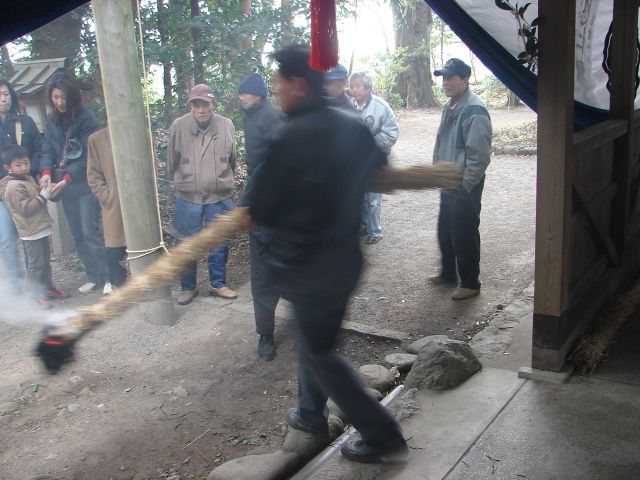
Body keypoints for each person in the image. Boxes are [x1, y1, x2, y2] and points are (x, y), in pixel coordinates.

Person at [245, 45, 408, 464]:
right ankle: (311, 416)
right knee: (316, 347)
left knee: (319, 354)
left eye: (280, 83)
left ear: (298, 85)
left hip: (308, 268)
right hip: (345, 260)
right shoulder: (350, 124)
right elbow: (378, 165)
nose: (277, 91)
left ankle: (382, 434)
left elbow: (260, 209)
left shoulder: (288, 135)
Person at [39, 72, 110, 295]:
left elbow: (88, 154)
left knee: (91, 231)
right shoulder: (52, 120)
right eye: (56, 97)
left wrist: (67, 178)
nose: (60, 103)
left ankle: (109, 276)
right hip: (63, 186)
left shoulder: (86, 118)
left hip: (84, 184)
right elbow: (48, 148)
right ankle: (92, 275)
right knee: (77, 233)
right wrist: (46, 172)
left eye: (64, 98)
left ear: (72, 97)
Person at [168, 83, 238, 305]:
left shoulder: (226, 125)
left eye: (205, 104)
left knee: (219, 241)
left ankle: (218, 284)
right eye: (196, 105)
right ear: (191, 106)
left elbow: (233, 160)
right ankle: (187, 287)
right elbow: (172, 162)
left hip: (219, 196)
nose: (201, 109)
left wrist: (219, 179)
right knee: (186, 242)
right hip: (189, 197)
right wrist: (185, 180)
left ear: (212, 104)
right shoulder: (178, 126)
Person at [431, 58, 492, 301]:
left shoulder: (473, 109)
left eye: (450, 77)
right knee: (445, 230)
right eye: (443, 78)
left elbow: (479, 154)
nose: (444, 82)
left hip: (464, 183)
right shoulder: (451, 105)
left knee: (464, 232)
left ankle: (470, 283)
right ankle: (448, 273)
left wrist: (467, 184)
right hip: (448, 180)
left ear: (465, 79)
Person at [238, 73, 283, 360]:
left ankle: (310, 329)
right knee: (261, 274)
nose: (240, 97)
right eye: (240, 93)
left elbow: (270, 167)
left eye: (245, 93)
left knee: (286, 269)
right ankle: (265, 335)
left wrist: (244, 200)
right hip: (259, 209)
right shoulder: (250, 115)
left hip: (280, 207)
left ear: (259, 95)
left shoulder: (273, 118)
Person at [2, 146, 61, 308]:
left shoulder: (27, 178)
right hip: (30, 231)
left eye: (26, 163)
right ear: (8, 168)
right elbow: (26, 209)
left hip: (40, 226)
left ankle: (47, 289)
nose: (24, 167)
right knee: (36, 264)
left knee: (45, 261)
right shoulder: (13, 186)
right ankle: (32, 296)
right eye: (18, 165)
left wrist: (46, 190)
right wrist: (44, 195)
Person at [0, 78, 45, 293]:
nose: (3, 99)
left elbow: (39, 149)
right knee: (7, 239)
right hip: (1, 193)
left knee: (31, 236)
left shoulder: (25, 122)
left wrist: (31, 170)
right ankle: (16, 288)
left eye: (6, 94)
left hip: (26, 186)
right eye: (0, 95)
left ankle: (34, 287)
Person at [349, 71, 399, 244]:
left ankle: (375, 231)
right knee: (359, 195)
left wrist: (369, 147)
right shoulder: (350, 106)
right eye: (352, 86)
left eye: (358, 86)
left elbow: (391, 134)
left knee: (373, 198)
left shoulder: (381, 107)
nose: (354, 90)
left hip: (374, 161)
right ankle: (363, 225)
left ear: (369, 87)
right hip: (355, 162)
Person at [87, 127, 127, 294]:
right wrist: (107, 196)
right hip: (114, 202)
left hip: (140, 203)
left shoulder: (141, 131)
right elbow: (93, 174)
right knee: (115, 246)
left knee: (143, 245)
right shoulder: (96, 139)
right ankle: (117, 284)